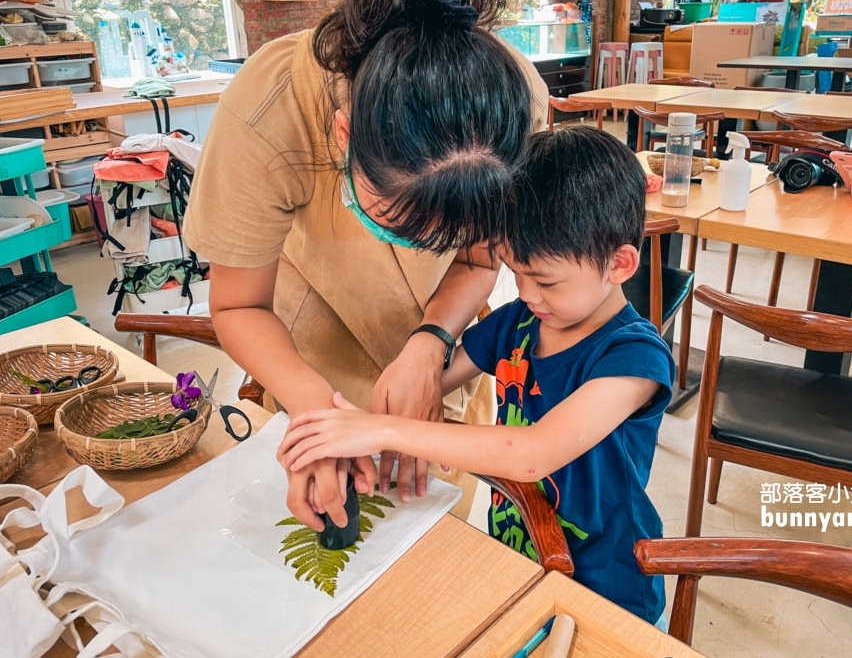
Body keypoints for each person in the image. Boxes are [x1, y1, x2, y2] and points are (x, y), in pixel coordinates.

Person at [183, 0, 549, 531]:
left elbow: (481, 263)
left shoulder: (509, 108)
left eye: (445, 231)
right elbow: (239, 304)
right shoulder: (268, 109)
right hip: (309, 350)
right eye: (402, 223)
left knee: (433, 538)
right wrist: (312, 414)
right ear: (343, 134)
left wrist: (431, 343)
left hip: (449, 346)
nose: (425, 242)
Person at [279, 127, 675, 627]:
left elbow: (533, 454)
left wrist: (380, 430)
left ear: (619, 264)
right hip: (518, 552)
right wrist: (348, 434)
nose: (527, 293)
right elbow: (425, 386)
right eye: (515, 272)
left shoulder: (633, 358)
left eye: (546, 280)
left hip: (609, 583)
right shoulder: (520, 321)